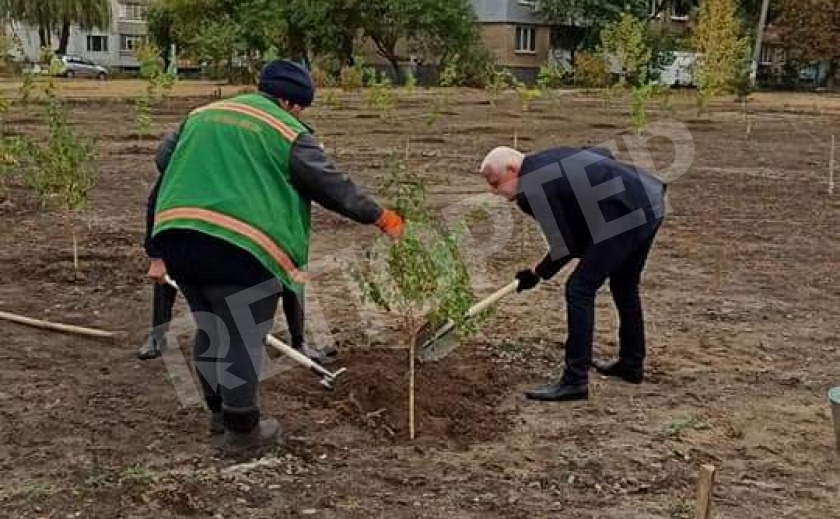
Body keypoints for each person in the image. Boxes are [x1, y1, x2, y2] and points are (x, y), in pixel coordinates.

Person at [144, 59, 404, 451]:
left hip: (178, 234)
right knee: (242, 336)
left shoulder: (201, 115)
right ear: (288, 101)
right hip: (243, 244)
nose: (300, 114)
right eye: (300, 107)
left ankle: (218, 414)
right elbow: (330, 184)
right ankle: (244, 432)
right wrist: (381, 217)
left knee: (209, 327)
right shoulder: (286, 130)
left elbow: (164, 159)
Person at [479, 145, 666, 402]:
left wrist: (538, 273)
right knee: (624, 284)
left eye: (496, 183)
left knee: (579, 289)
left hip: (627, 213)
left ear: (512, 169)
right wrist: (538, 272)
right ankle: (631, 364)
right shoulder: (549, 157)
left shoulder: (532, 188)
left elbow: (564, 245)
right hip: (648, 199)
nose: (495, 192)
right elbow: (601, 154)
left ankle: (574, 381)